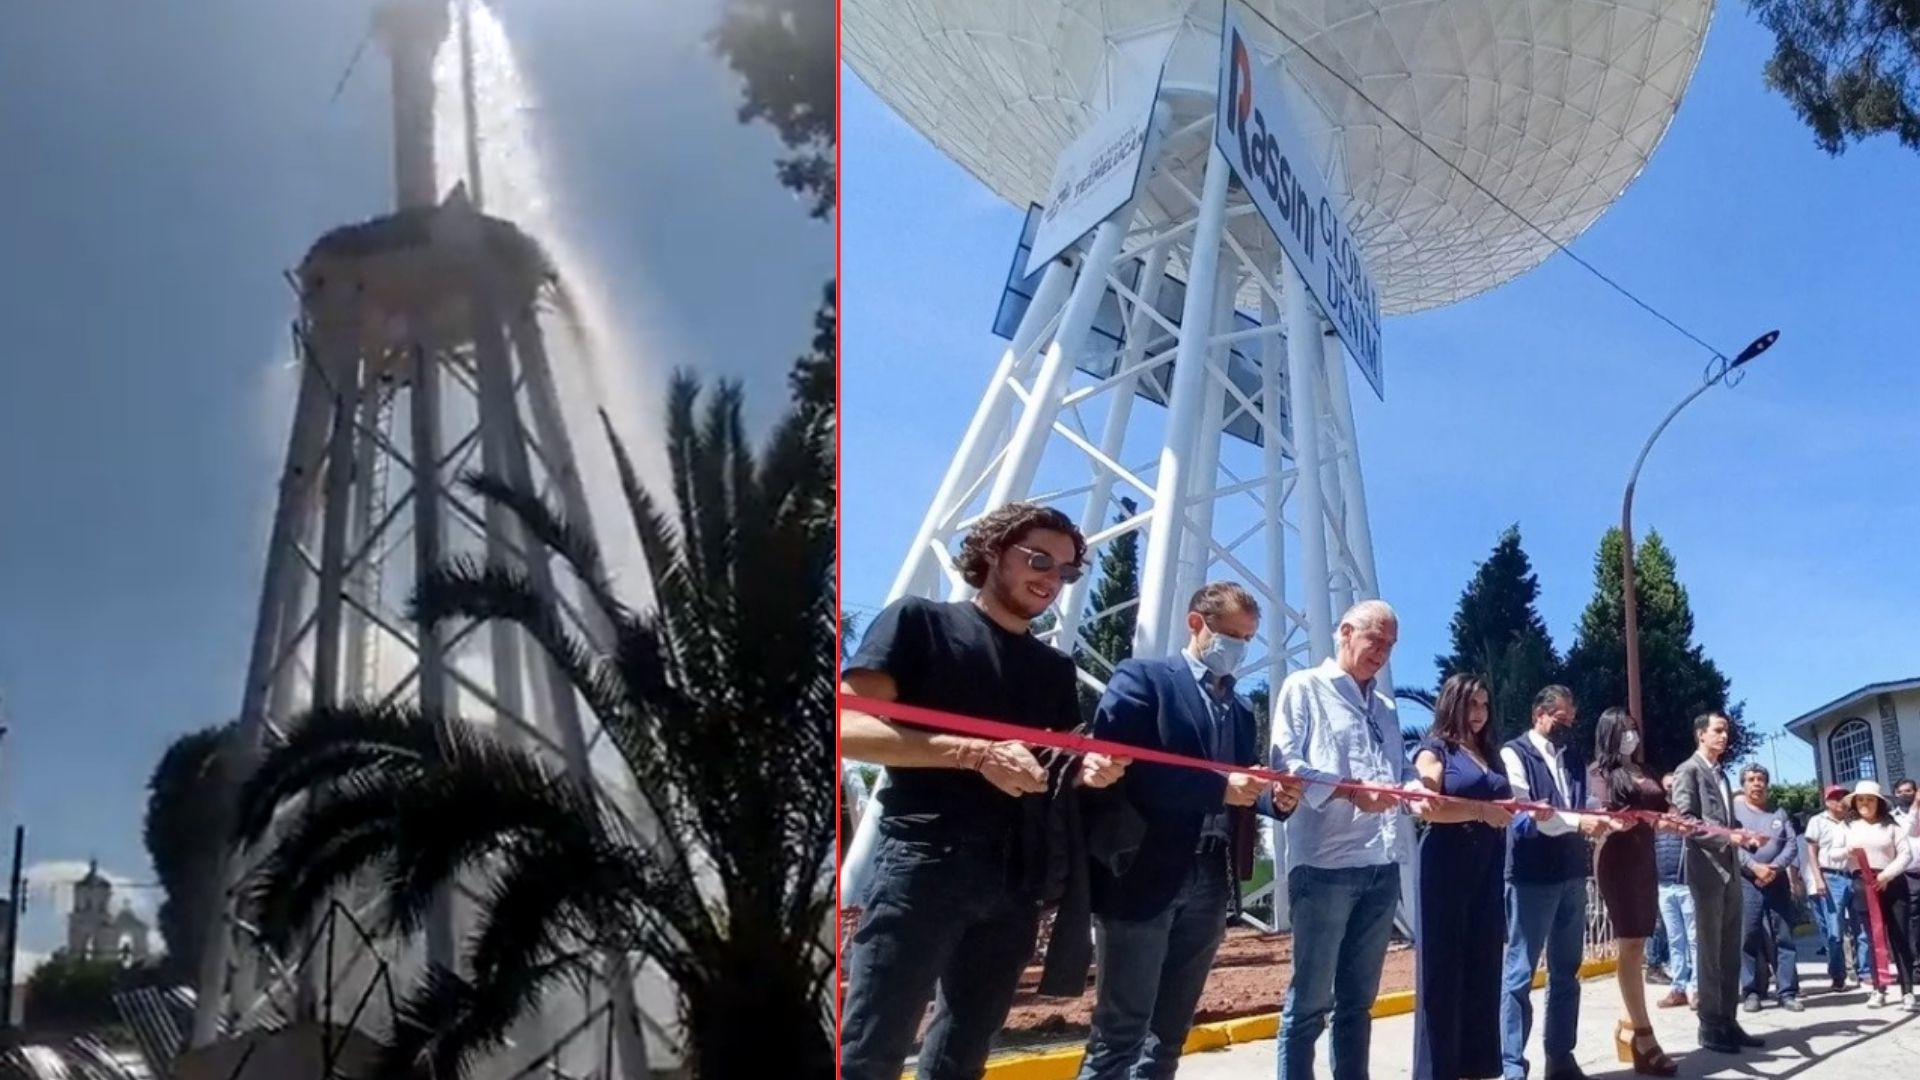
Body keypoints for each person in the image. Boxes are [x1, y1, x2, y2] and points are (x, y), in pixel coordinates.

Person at [837, 502, 1130, 1080]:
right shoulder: (920, 621)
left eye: (1068, 572)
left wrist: (1087, 772)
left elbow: (1050, 766)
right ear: (993, 551)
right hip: (925, 862)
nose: (1052, 579)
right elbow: (849, 727)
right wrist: (970, 753)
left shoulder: (1054, 669)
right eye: (1039, 559)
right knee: (873, 1045)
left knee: (963, 1056)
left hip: (1015, 881)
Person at [1075, 582, 1304, 1080]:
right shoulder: (1145, 680)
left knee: (1169, 1035)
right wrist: (1219, 788)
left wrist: (1274, 799)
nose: (1239, 648)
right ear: (1196, 623)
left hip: (1211, 876)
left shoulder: (1240, 709)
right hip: (1143, 872)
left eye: (1248, 638)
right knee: (1121, 1033)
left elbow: (1242, 783)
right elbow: (1119, 770)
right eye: (1231, 635)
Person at [1272, 599, 1420, 1080]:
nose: (1382, 652)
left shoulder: (1386, 708)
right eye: (1375, 639)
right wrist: (1351, 793)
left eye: (1391, 645)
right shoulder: (1304, 688)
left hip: (1382, 867)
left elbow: (1400, 772)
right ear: (1345, 631)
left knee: (1358, 1005)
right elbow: (1287, 767)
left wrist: (1417, 792)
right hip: (1324, 869)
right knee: (1310, 1005)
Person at [1495, 686, 1618, 1080]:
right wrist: (1578, 823)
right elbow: (1525, 810)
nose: (1567, 725)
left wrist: (1612, 819)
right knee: (1519, 974)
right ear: (1539, 714)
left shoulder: (1574, 757)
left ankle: (1561, 1057)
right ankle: (1512, 1066)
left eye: (1571, 718)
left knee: (1567, 972)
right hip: (1531, 875)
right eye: (1560, 717)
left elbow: (1588, 806)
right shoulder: (1514, 753)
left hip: (1571, 874)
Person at [1410, 674, 1520, 1080]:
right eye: (1472, 704)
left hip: (1488, 866)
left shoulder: (1487, 753)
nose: (1479, 713)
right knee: (1442, 975)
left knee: (1482, 970)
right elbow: (1428, 806)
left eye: (1485, 706)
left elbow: (1499, 803)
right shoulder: (1435, 748)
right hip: (1446, 866)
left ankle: (1477, 1069)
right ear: (1453, 703)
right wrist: (1480, 812)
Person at [1587, 707, 1685, 1075]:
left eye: (1634, 728)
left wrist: (1677, 819)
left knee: (1639, 942)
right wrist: (1615, 820)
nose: (1632, 734)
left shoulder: (1643, 770)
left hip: (1645, 857)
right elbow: (1599, 811)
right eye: (1624, 729)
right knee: (1630, 942)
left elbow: (1663, 807)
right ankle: (1643, 1036)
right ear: (1609, 734)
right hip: (1616, 858)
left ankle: (1628, 1025)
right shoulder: (1599, 772)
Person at [1670, 712, 1765, 1054]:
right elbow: (1687, 821)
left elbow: (1725, 820)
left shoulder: (1723, 775)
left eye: (1726, 731)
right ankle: (1709, 1026)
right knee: (1709, 951)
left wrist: (1746, 835)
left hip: (1732, 871)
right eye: (1718, 730)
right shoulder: (1689, 770)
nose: (1725, 736)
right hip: (1707, 870)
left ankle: (1728, 1019)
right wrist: (1729, 838)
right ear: (1701, 735)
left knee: (1729, 951)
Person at [1732, 763, 1801, 1012]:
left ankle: (1788, 992)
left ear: (1767, 784)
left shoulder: (1779, 813)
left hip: (1777, 881)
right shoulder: (1735, 815)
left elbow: (1791, 844)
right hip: (1747, 881)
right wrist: (1755, 867)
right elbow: (1734, 846)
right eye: (1751, 779)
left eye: (1761, 779)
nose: (1756, 783)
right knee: (1747, 937)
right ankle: (1751, 992)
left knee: (1783, 937)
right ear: (1743, 785)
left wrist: (1774, 868)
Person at [1845, 780, 1915, 1009]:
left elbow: (1905, 855)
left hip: (1892, 883)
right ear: (1855, 802)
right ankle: (1878, 988)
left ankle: (1907, 990)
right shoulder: (1849, 827)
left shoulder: (1892, 826)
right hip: (1863, 885)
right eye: (1861, 799)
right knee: (1873, 938)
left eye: (1870, 799)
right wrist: (1847, 852)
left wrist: (1886, 875)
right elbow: (1834, 854)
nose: (1865, 803)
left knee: (1900, 936)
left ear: (1879, 803)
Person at [1804, 783, 1867, 991]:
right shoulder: (1818, 821)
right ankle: (1838, 973)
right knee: (1835, 931)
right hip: (1832, 877)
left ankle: (1863, 971)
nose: (1840, 801)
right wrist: (1818, 879)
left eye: (1843, 797)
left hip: (1856, 876)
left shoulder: (1854, 821)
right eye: (1835, 797)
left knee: (1861, 928)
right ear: (1827, 801)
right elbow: (1811, 852)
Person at [1652, 775, 1695, 1011]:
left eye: (1674, 785)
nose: (1670, 789)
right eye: (1667, 785)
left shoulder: (1690, 814)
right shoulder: (1656, 815)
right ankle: (1679, 988)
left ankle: (1697, 988)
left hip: (1687, 885)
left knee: (1694, 940)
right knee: (1675, 940)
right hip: (1664, 886)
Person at [1895, 777, 1919, 981]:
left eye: (1909, 791)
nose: (1906, 795)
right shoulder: (1892, 818)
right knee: (1912, 923)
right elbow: (1908, 832)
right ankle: (1916, 967)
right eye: (1901, 792)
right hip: (1907, 875)